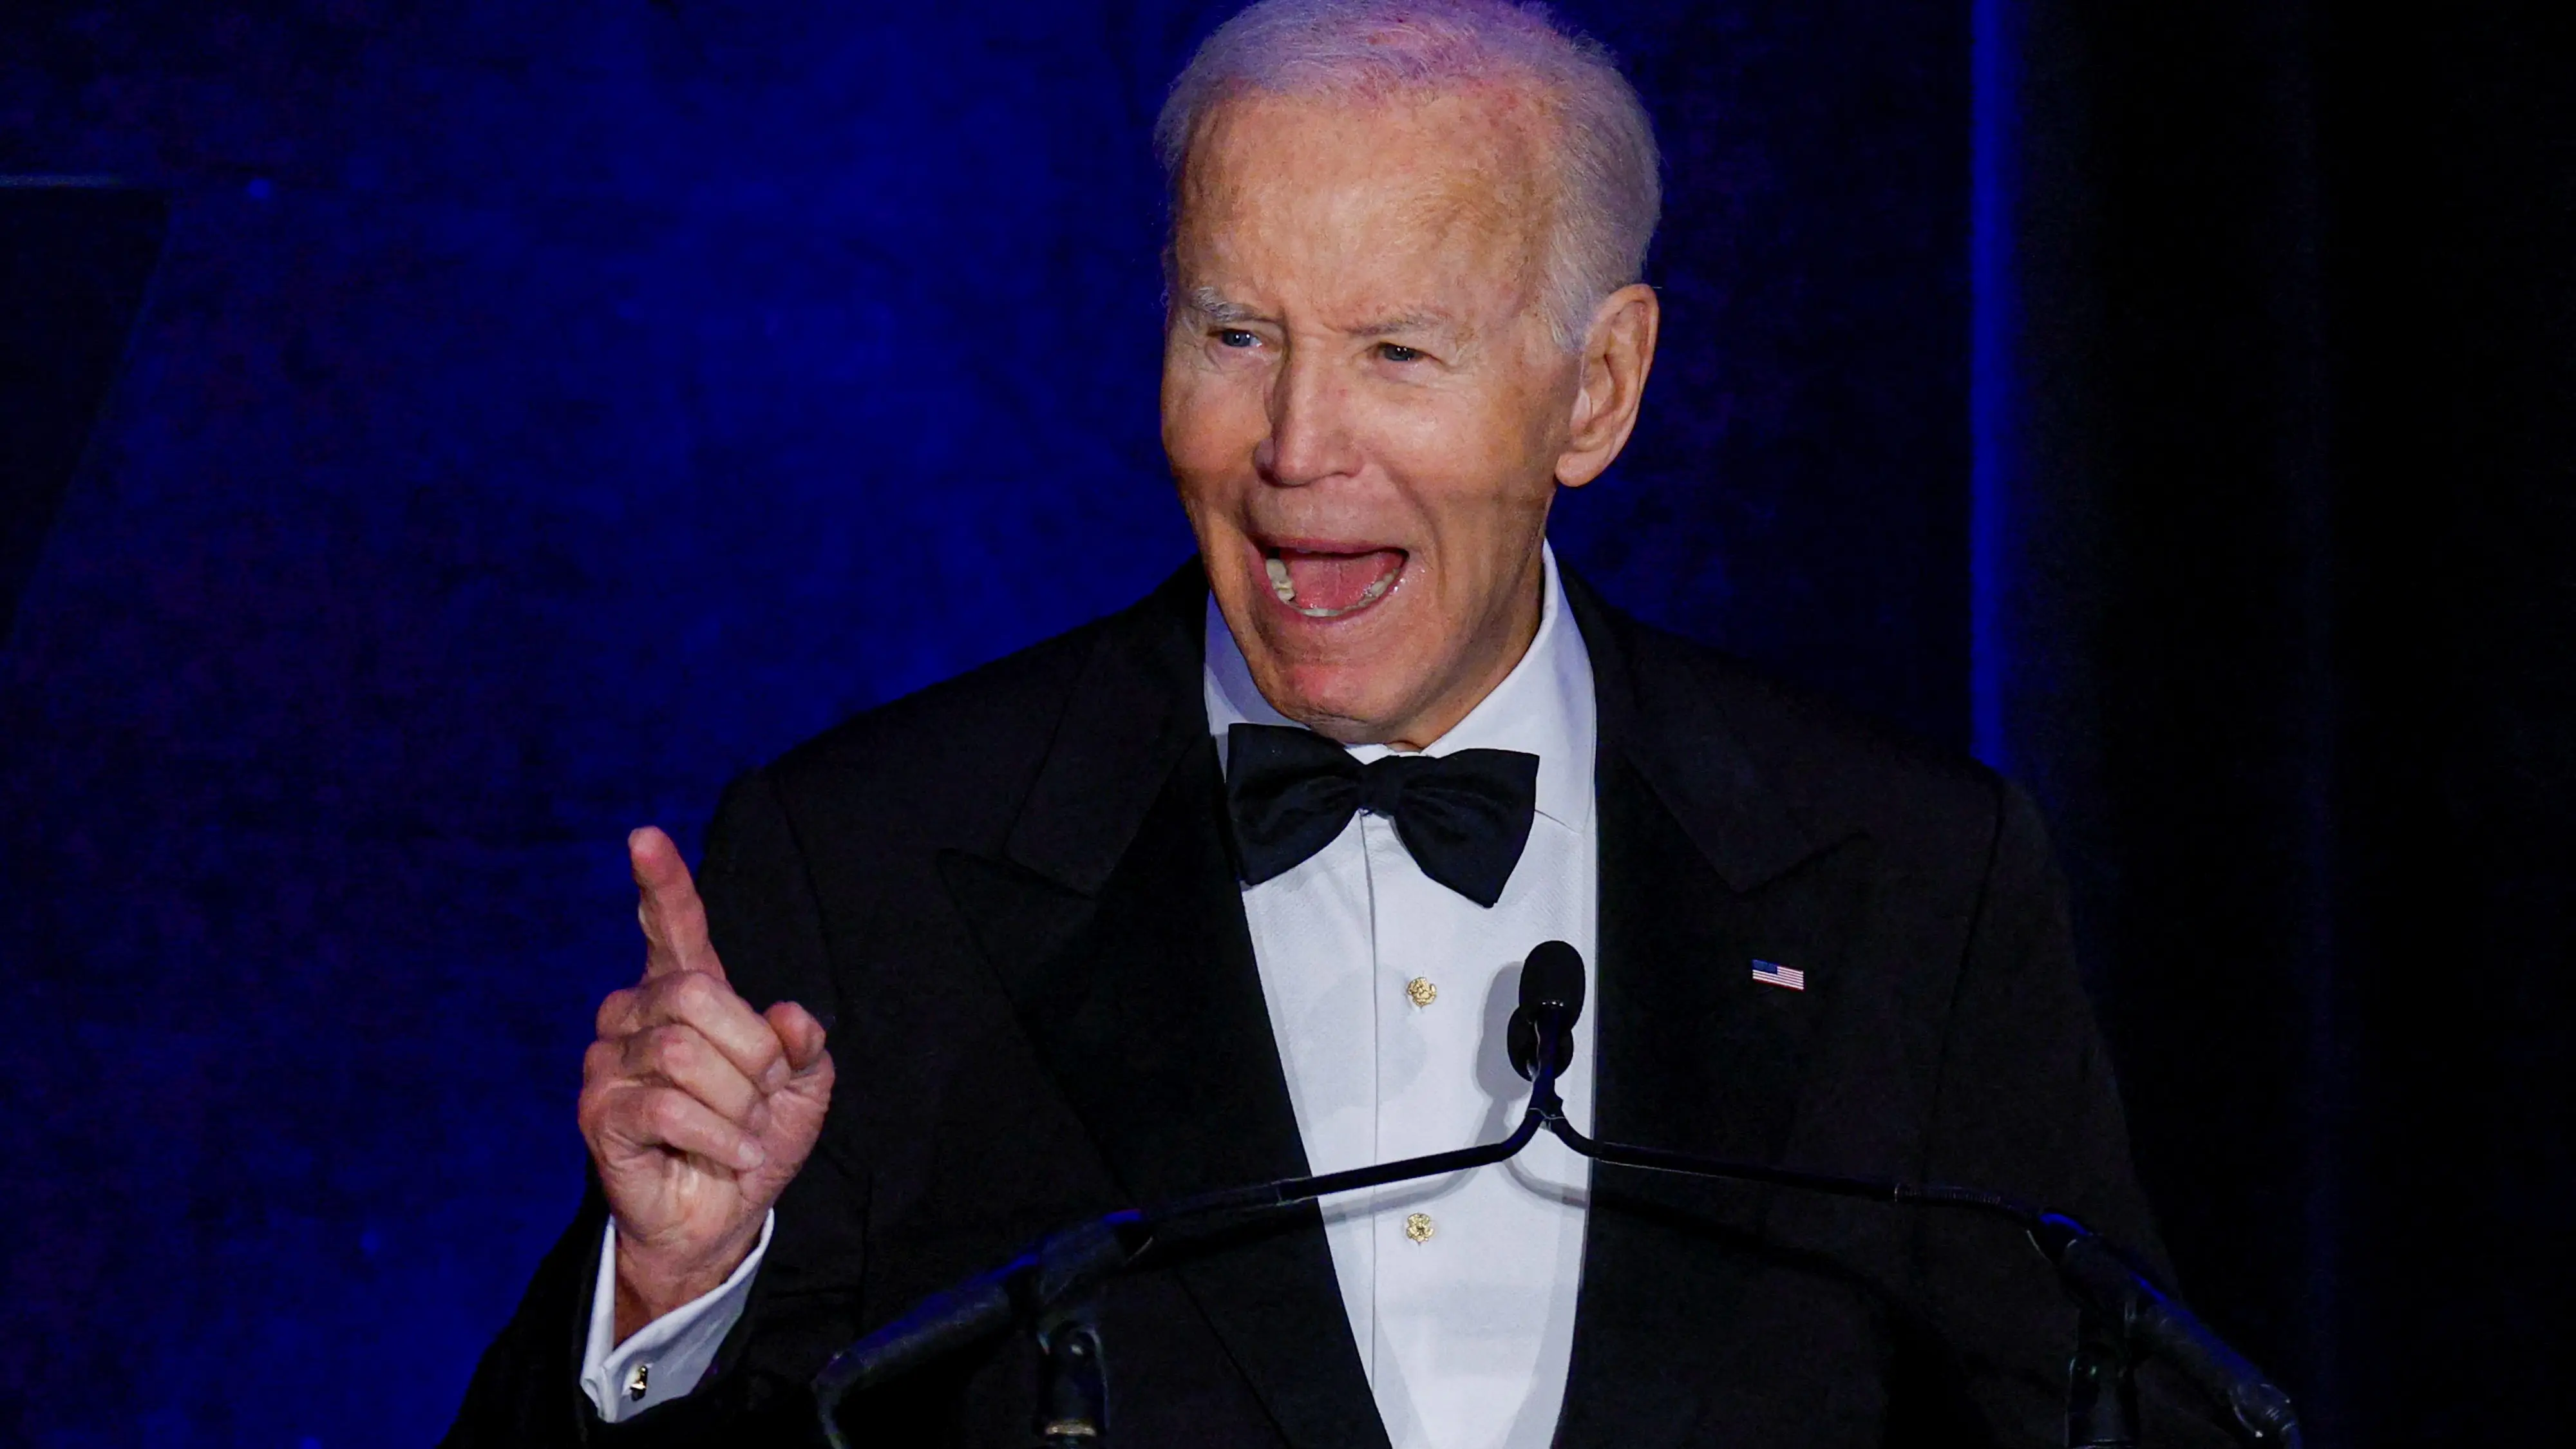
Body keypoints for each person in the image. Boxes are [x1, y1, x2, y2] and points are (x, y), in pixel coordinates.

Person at [448, 3, 2233, 1444]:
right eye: (1236, 335)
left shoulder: (1908, 879)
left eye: (1398, 351)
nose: (1297, 449)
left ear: (1598, 388)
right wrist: (673, 1294)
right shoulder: (870, 870)